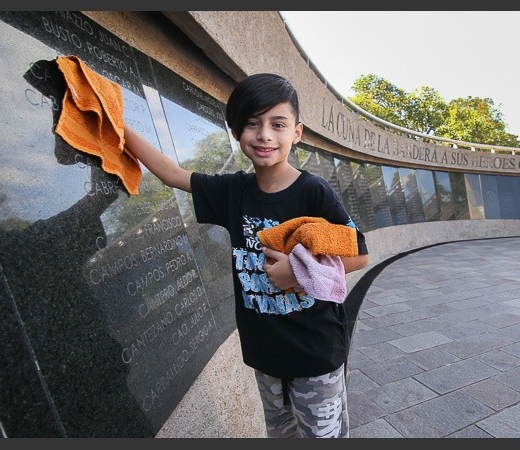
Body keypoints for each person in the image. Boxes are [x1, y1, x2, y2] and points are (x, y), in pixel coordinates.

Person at [122, 73, 369, 438]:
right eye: (252, 123)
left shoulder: (313, 192)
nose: (265, 134)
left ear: (296, 133)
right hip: (265, 352)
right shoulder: (233, 191)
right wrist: (115, 122)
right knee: (280, 434)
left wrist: (297, 273)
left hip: (315, 351)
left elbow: (359, 254)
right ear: (237, 131)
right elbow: (173, 174)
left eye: (277, 124)